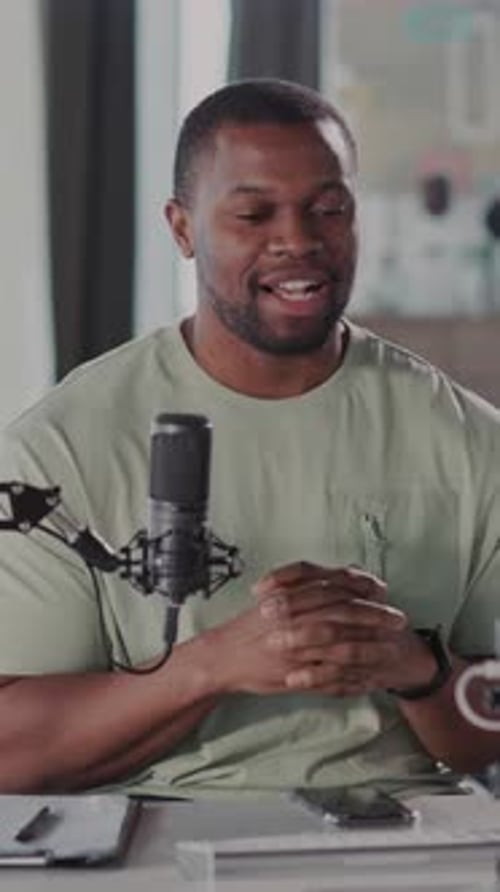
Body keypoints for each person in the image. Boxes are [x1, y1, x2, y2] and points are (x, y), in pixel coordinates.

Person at [0, 78, 500, 798]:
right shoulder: (61, 449)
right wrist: (212, 667)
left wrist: (421, 671)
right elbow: (13, 749)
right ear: (181, 229)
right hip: (153, 847)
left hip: (399, 845)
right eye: (254, 213)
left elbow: (487, 726)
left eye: (328, 210)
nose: (297, 241)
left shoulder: (466, 439)